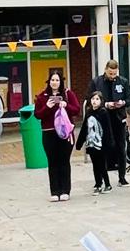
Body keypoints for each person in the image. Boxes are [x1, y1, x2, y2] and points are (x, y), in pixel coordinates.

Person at [33, 70, 75, 202]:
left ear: (61, 82)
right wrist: (47, 106)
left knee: (64, 161)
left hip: (64, 134)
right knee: (53, 162)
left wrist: (66, 105)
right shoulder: (42, 97)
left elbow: (77, 109)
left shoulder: (68, 94)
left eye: (57, 80)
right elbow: (37, 115)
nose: (54, 83)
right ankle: (55, 191)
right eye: (52, 80)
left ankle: (65, 190)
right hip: (49, 133)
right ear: (49, 82)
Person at [90, 60, 130, 188]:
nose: (112, 76)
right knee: (101, 149)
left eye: (114, 74)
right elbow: (89, 98)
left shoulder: (123, 82)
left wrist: (123, 103)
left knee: (121, 148)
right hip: (102, 118)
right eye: (110, 73)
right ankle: (100, 180)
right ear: (105, 69)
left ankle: (122, 177)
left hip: (118, 118)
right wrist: (105, 104)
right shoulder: (96, 82)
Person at [75, 91, 110, 193]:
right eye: (93, 99)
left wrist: (108, 143)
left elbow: (107, 129)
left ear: (101, 101)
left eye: (97, 99)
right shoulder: (89, 112)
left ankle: (107, 183)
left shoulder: (103, 112)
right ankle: (98, 184)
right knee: (95, 164)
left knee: (102, 164)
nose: (95, 101)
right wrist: (79, 143)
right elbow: (84, 129)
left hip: (101, 144)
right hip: (91, 143)